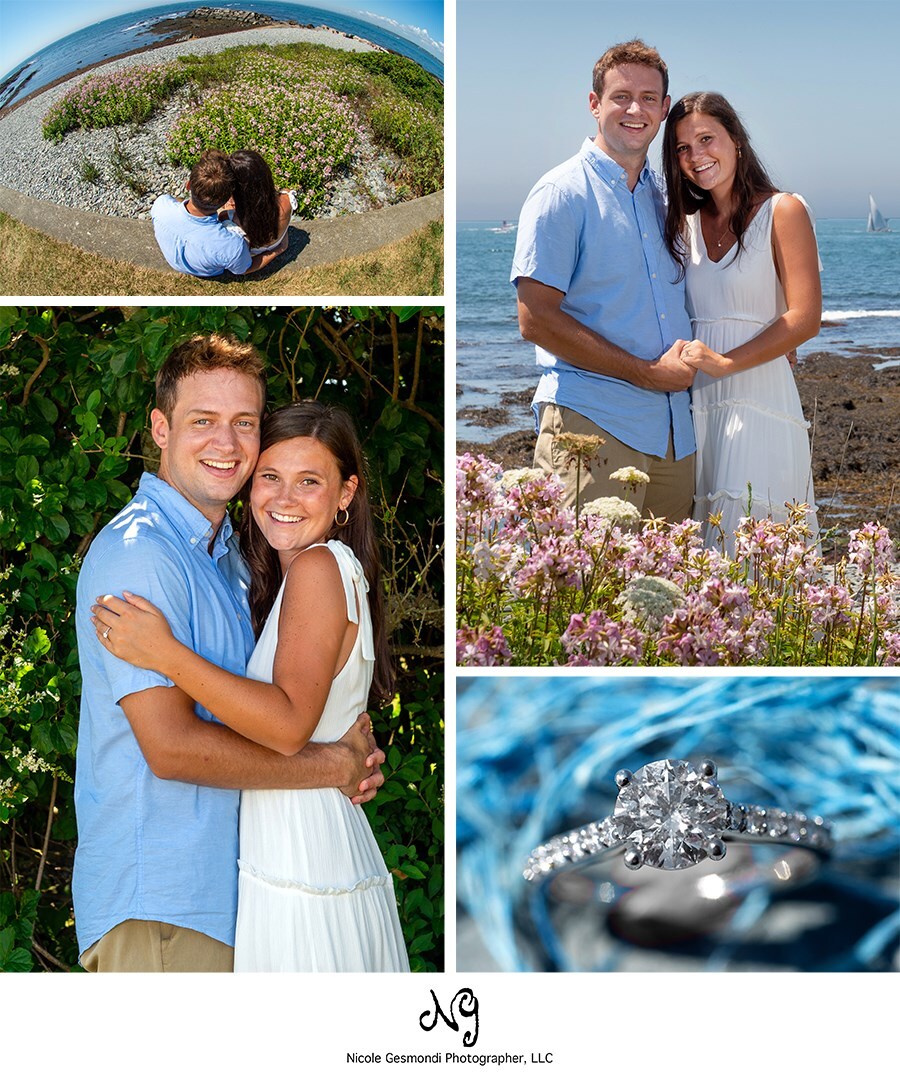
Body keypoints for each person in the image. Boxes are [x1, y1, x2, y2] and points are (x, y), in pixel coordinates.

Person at [72, 335, 384, 973]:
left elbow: (279, 710)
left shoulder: (234, 564)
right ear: (160, 428)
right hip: (163, 901)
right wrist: (330, 766)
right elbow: (172, 747)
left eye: (244, 424)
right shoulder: (143, 554)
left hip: (240, 889)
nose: (227, 443)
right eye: (202, 421)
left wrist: (342, 754)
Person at [511, 39, 696, 520]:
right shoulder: (561, 193)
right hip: (591, 422)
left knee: (665, 587)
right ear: (595, 104)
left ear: (664, 109)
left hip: (676, 435)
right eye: (621, 97)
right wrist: (647, 374)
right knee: (581, 588)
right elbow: (535, 320)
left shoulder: (666, 199)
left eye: (649, 98)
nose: (635, 109)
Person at [661, 92, 821, 550]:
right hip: (697, 406)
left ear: (736, 141)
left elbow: (805, 318)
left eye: (707, 139)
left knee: (752, 538)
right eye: (683, 149)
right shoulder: (684, 222)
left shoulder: (782, 210)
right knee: (704, 545)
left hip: (758, 397)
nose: (696, 156)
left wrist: (727, 363)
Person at [150, 150, 284, 278]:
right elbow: (245, 269)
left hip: (176, 260)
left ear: (188, 185)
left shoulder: (161, 205)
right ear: (227, 200)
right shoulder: (232, 246)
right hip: (207, 270)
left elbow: (176, 201)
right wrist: (278, 250)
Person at [224, 149, 297, 256]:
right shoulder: (287, 198)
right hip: (276, 243)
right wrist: (280, 247)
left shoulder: (229, 219)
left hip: (251, 253)